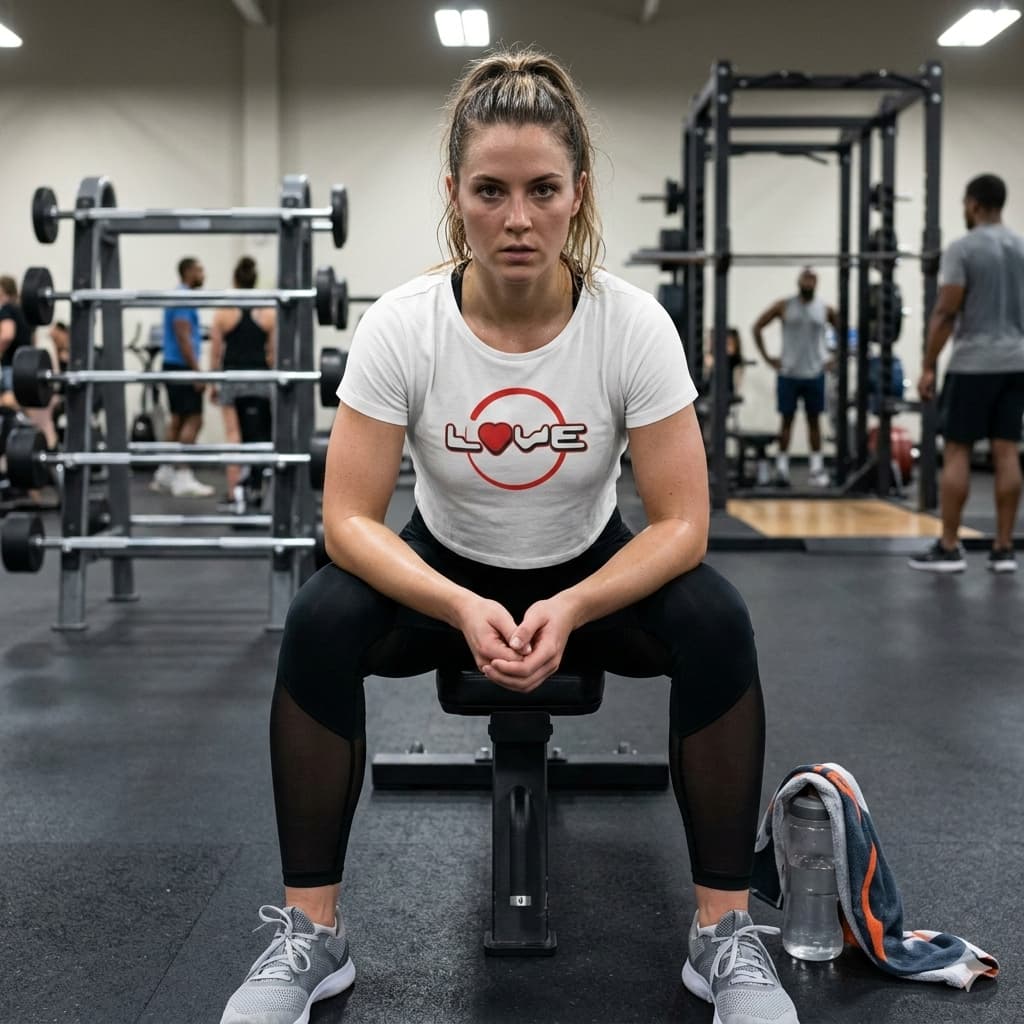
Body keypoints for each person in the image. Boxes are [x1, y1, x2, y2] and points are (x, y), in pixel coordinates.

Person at [220, 49, 798, 1024]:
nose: (517, 218)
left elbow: (684, 524)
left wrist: (573, 602)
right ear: (453, 193)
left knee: (716, 619)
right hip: (444, 577)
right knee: (320, 616)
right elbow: (349, 518)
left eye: (541, 189)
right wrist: (454, 600)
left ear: (579, 192)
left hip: (589, 572)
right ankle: (312, 932)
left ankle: (723, 932)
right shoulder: (403, 325)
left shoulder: (632, 326)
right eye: (490, 191)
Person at [909, 173, 1024, 573]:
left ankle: (950, 545)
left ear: (973, 204)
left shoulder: (963, 248)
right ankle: (1004, 549)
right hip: (1016, 361)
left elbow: (945, 312)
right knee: (1006, 450)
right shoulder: (1021, 247)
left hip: (974, 362)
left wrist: (927, 365)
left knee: (957, 450)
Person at [752, 268, 838, 487]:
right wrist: (768, 358)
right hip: (789, 373)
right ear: (798, 281)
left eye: (812, 279)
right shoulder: (784, 306)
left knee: (814, 422)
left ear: (817, 283)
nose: (808, 282)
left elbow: (846, 332)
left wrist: (835, 359)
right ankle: (781, 469)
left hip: (815, 373)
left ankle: (816, 470)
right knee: (786, 421)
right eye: (805, 278)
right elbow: (757, 326)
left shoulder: (825, 309)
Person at [208, 256, 276, 505]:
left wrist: (213, 383)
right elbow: (273, 353)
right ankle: (256, 488)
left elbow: (216, 352)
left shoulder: (224, 310)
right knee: (259, 435)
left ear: (235, 280)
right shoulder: (268, 311)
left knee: (234, 435)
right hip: (259, 376)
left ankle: (234, 490)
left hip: (232, 376)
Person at [150, 257, 215, 498]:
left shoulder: (179, 294)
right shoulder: (184, 296)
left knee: (177, 420)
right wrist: (196, 370)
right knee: (194, 420)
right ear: (188, 272)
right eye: (199, 270)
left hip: (173, 364)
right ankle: (183, 476)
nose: (202, 274)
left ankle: (165, 472)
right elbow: (182, 335)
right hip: (182, 366)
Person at [0, 275, 33, 409]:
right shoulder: (22, 310)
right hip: (25, 365)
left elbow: (7, 335)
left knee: (9, 399)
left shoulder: (6, 308)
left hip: (11, 364)